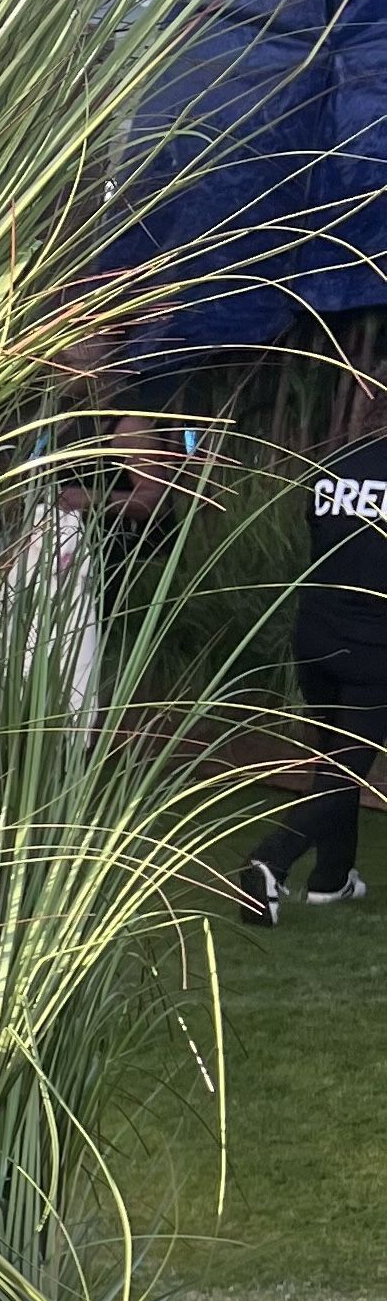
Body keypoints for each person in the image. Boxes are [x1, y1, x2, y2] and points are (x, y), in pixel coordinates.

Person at [240, 381, 387, 921]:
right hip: (376, 645)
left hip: (317, 633)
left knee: (334, 762)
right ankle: (270, 860)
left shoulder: (338, 464)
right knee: (346, 770)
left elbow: (319, 536)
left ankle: (332, 878)